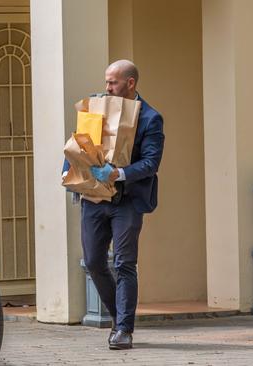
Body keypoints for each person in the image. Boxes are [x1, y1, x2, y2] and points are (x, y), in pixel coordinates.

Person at [62, 60, 165, 350]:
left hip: (128, 201)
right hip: (94, 199)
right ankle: (118, 317)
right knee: (94, 261)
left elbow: (150, 163)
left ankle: (123, 330)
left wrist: (118, 173)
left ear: (130, 84)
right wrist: (69, 170)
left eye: (113, 83)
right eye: (107, 82)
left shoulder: (150, 118)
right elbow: (79, 142)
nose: (107, 88)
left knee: (124, 263)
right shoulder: (96, 109)